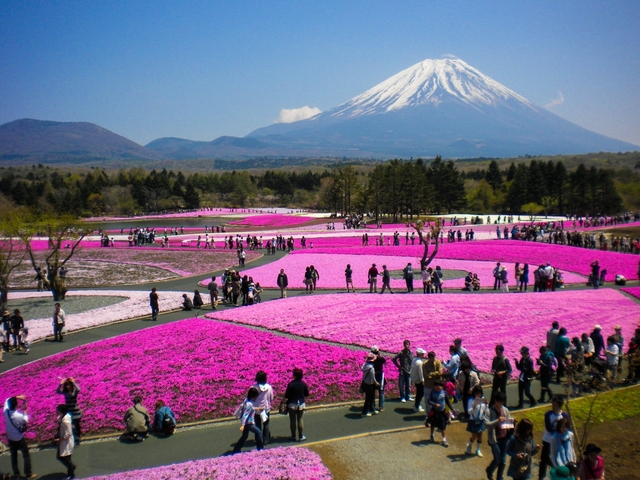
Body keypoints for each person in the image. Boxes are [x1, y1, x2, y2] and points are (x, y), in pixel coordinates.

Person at [539, 395, 572, 480]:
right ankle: (541, 477)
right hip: (548, 439)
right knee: (544, 459)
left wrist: (562, 432)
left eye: (556, 404)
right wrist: (559, 430)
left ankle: (558, 474)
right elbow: (549, 428)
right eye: (553, 404)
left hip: (559, 440)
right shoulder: (548, 414)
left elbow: (567, 427)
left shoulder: (564, 415)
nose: (553, 406)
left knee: (558, 457)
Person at [4, 395, 36, 479]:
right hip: (19, 438)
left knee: (14, 457)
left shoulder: (6, 411)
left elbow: (7, 399)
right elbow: (25, 420)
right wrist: (25, 410)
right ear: (16, 405)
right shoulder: (18, 415)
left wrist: (17, 397)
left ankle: (16, 474)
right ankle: (28, 474)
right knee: (26, 455)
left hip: (10, 438)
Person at [486, 391, 514, 480]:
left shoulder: (505, 410)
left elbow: (509, 423)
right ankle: (490, 470)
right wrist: (498, 420)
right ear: (495, 401)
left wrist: (513, 421)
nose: (501, 404)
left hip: (505, 438)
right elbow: (487, 424)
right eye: (500, 401)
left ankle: (499, 478)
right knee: (497, 459)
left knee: (503, 461)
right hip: (495, 440)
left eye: (502, 402)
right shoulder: (489, 411)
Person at [233, 387, 264, 454]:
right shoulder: (249, 404)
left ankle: (236, 449)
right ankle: (260, 448)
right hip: (248, 423)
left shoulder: (246, 400)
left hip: (246, 422)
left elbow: (250, 409)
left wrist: (257, 408)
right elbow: (245, 415)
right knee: (259, 432)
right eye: (256, 396)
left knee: (244, 436)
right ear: (253, 396)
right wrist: (243, 425)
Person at [284, 367, 309, 441]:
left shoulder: (291, 384)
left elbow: (286, 395)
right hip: (301, 404)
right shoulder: (303, 384)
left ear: (295, 376)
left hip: (292, 404)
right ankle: (301, 436)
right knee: (300, 419)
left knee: (292, 421)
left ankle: (293, 436)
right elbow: (306, 394)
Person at [56, 378, 82, 445]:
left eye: (69, 385)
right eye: (67, 385)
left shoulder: (74, 391)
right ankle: (73, 437)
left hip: (76, 411)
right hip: (69, 412)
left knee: (77, 425)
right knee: (70, 426)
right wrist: (61, 384)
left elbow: (78, 389)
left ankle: (78, 438)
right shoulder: (65, 392)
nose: (68, 386)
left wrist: (73, 382)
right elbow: (57, 391)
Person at [426, 380, 452, 447]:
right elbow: (429, 401)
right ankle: (432, 435)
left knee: (443, 426)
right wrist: (435, 404)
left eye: (441, 386)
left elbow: (447, 402)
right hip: (434, 411)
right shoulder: (432, 393)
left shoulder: (444, 393)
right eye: (438, 386)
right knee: (433, 424)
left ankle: (444, 439)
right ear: (435, 386)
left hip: (442, 412)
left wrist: (452, 409)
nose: (440, 387)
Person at [465, 385, 488, 457]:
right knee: (474, 436)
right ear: (474, 393)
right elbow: (469, 412)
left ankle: (478, 450)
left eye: (480, 393)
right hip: (473, 420)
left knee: (480, 435)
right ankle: (469, 445)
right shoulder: (471, 401)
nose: (479, 395)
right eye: (477, 393)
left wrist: (487, 405)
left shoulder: (482, 400)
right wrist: (473, 407)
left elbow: (485, 410)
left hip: (481, 419)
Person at [54, 404, 76, 479]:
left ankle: (71, 471)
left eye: (57, 409)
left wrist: (60, 439)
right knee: (65, 457)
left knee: (65, 457)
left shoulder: (65, 421)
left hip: (66, 442)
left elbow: (68, 434)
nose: (56, 411)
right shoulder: (61, 417)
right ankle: (70, 469)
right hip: (63, 441)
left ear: (60, 411)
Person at [253, 370, 275, 444]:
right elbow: (271, 398)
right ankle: (266, 439)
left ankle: (258, 439)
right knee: (266, 424)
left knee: (257, 425)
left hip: (256, 409)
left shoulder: (253, 388)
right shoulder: (269, 387)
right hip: (265, 408)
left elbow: (251, 399)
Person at [423, 350, 443, 415]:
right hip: (428, 385)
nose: (433, 359)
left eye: (434, 357)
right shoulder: (425, 364)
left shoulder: (438, 362)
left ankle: (438, 414)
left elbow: (440, 372)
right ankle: (428, 414)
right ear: (429, 358)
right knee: (428, 401)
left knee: (438, 400)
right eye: (432, 358)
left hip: (437, 386)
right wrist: (435, 375)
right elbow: (425, 375)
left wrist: (431, 374)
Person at [361, 352, 378, 417]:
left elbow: (362, 367)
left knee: (370, 398)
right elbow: (373, 378)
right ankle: (364, 412)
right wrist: (376, 383)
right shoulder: (371, 368)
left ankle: (371, 409)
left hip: (365, 383)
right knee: (368, 399)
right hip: (370, 385)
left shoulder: (365, 366)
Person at [410, 348, 426, 412]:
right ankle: (417, 406)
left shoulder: (414, 360)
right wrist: (422, 380)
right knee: (420, 393)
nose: (423, 355)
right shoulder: (419, 362)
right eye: (422, 354)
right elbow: (420, 372)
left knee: (418, 393)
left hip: (414, 379)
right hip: (418, 380)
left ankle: (417, 404)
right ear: (420, 354)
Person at [371, 346, 386, 411]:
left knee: (372, 391)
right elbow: (384, 360)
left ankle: (373, 405)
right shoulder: (380, 358)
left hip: (373, 375)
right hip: (380, 375)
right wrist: (379, 355)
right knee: (381, 391)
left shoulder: (371, 359)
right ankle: (381, 406)